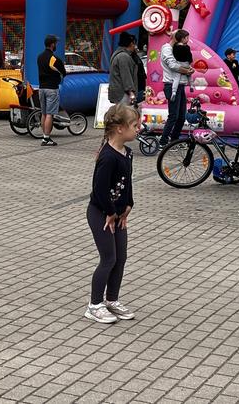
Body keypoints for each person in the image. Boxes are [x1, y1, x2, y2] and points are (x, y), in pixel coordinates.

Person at [85, 104, 140, 324]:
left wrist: (128, 206)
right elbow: (99, 188)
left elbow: (126, 183)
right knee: (108, 258)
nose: (139, 128)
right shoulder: (107, 156)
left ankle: (111, 300)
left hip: (117, 214)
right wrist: (110, 212)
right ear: (119, 129)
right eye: (135, 125)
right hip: (100, 213)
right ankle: (94, 305)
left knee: (121, 258)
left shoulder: (126, 153)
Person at [159, 30, 194, 148]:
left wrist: (189, 68)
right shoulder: (167, 48)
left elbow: (184, 61)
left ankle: (174, 140)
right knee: (173, 115)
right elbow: (173, 65)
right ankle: (163, 142)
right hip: (171, 84)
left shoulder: (176, 49)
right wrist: (187, 70)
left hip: (180, 85)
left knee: (181, 116)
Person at [37, 34, 67, 146]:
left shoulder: (39, 57)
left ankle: (44, 136)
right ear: (52, 44)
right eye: (56, 43)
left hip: (41, 88)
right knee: (50, 114)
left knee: (44, 113)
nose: (56, 45)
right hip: (51, 89)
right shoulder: (54, 59)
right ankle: (46, 138)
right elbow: (63, 73)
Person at [108, 32, 138, 105]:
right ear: (131, 44)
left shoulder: (117, 54)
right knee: (124, 114)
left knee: (120, 113)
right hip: (122, 94)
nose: (135, 47)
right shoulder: (123, 56)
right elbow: (126, 76)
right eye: (134, 44)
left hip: (118, 92)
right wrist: (131, 93)